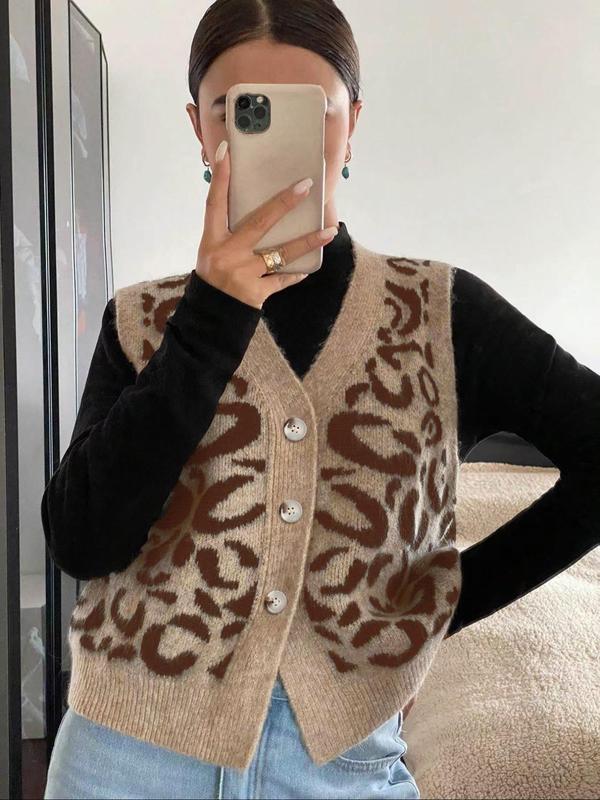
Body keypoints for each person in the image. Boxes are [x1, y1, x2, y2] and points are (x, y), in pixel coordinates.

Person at [42, 1, 600, 798]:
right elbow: (81, 541)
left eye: (310, 111)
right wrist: (210, 320)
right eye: (239, 111)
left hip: (340, 768)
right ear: (199, 128)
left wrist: (425, 620)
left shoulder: (442, 314)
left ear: (352, 123)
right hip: (121, 760)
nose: (272, 139)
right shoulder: (142, 320)